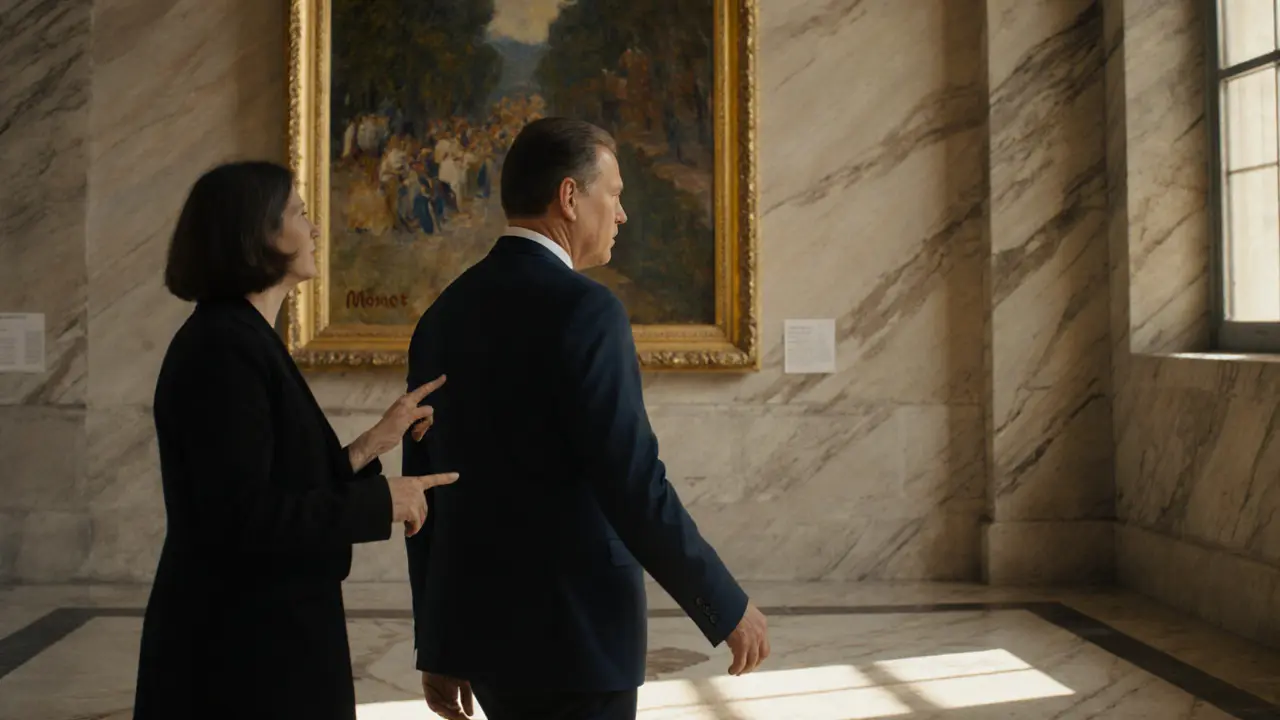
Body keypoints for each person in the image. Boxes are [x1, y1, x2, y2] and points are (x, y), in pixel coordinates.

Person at [403, 118, 770, 720]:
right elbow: (632, 481)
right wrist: (723, 605)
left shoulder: (442, 316)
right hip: (577, 642)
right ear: (570, 198)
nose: (621, 214)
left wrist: (437, 643)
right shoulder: (589, 311)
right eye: (615, 194)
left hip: (484, 640)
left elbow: (425, 498)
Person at [133, 161, 459, 720]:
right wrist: (383, 501)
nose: (313, 229)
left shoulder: (241, 337)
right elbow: (243, 518)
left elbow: (271, 479)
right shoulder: (223, 350)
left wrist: (369, 446)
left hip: (261, 638)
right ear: (256, 234)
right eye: (300, 214)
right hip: (241, 659)